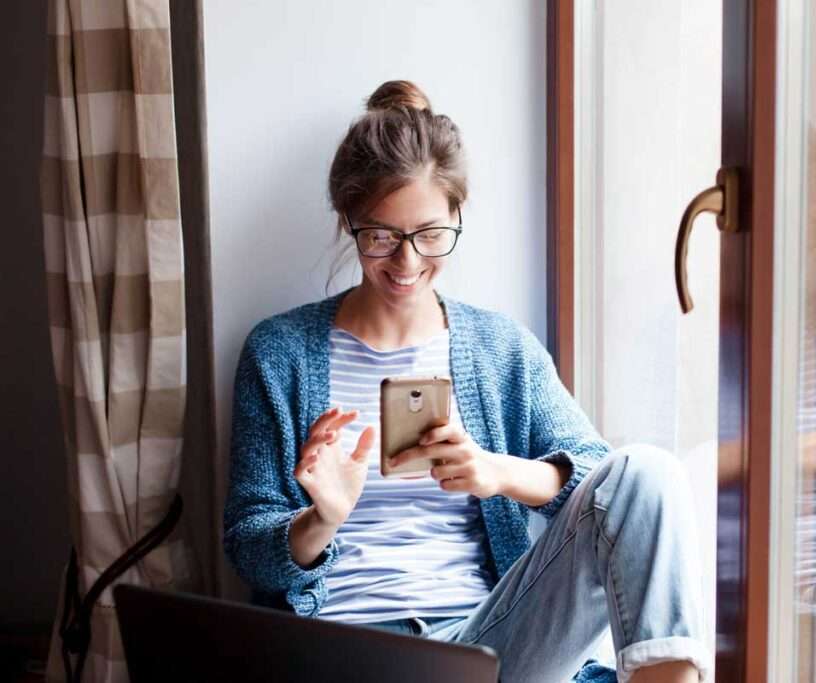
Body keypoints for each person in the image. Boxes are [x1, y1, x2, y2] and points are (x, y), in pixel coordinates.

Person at [223, 80, 709, 683]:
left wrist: (492, 472)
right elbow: (248, 546)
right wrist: (321, 518)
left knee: (649, 473)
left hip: (487, 645)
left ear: (458, 213)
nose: (406, 263)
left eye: (430, 234)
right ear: (349, 222)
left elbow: (601, 485)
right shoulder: (279, 354)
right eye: (381, 237)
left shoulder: (498, 348)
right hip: (345, 652)